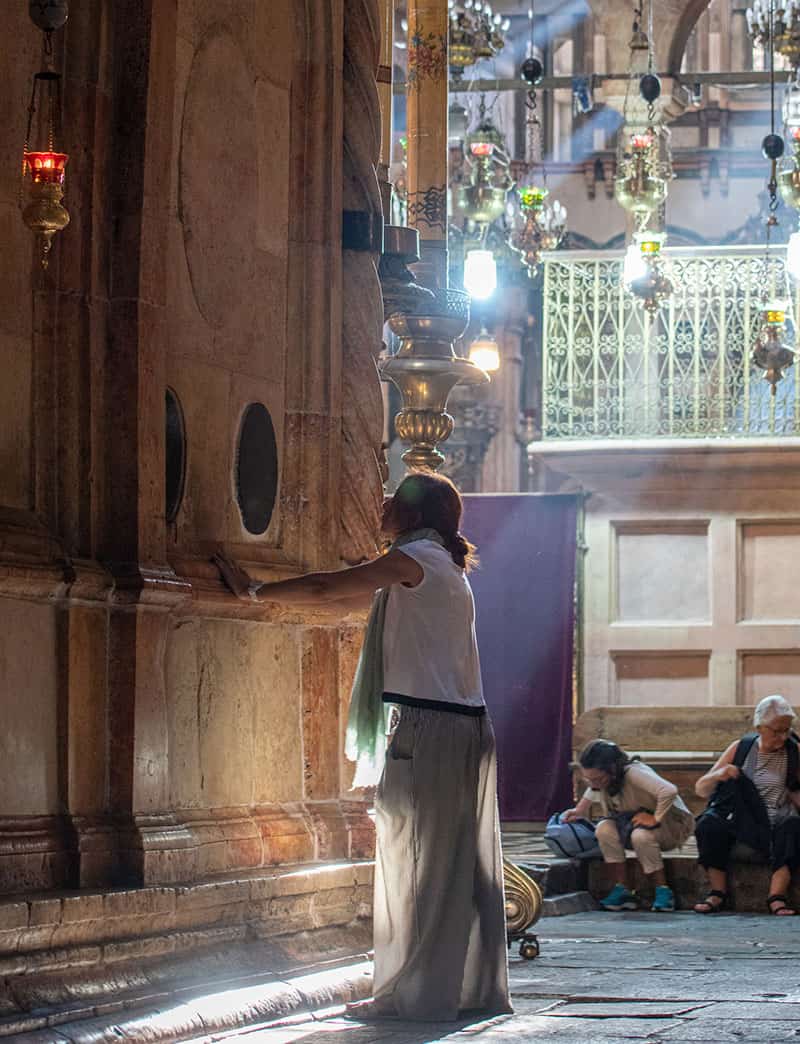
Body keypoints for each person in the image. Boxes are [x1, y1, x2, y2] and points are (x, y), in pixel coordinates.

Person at [213, 471, 511, 1022]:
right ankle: (454, 989)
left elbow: (331, 586)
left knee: (413, 862)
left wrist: (254, 590)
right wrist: (274, 599)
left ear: (414, 513)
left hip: (430, 726)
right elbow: (343, 603)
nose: (380, 503)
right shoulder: (439, 565)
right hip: (462, 725)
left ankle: (410, 995)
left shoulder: (415, 556)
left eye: (392, 498)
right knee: (448, 867)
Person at [693, 694, 800, 916]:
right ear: (760, 727)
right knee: (708, 824)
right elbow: (701, 788)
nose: (782, 737)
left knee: (792, 826)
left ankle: (776, 897)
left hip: (777, 819)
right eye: (776, 731)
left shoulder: (794, 751)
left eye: (786, 730)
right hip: (744, 819)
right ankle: (717, 892)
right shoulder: (741, 748)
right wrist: (720, 774)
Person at [562, 739, 694, 912]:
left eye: (598, 778)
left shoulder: (634, 772)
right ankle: (623, 891)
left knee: (641, 836)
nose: (594, 784)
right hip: (631, 821)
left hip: (671, 826)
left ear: (612, 770)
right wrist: (580, 809)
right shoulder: (603, 778)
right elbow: (593, 787)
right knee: (604, 830)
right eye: (589, 779)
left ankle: (663, 891)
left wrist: (656, 818)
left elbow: (668, 791)